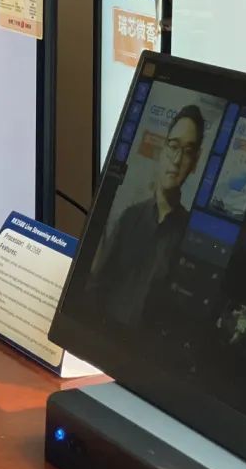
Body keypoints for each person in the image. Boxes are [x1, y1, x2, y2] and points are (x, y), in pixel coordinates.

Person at [88, 104, 205, 326]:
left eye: (188, 152)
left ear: (195, 162)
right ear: (162, 150)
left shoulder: (191, 236)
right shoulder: (129, 218)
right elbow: (97, 284)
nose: (177, 159)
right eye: (173, 146)